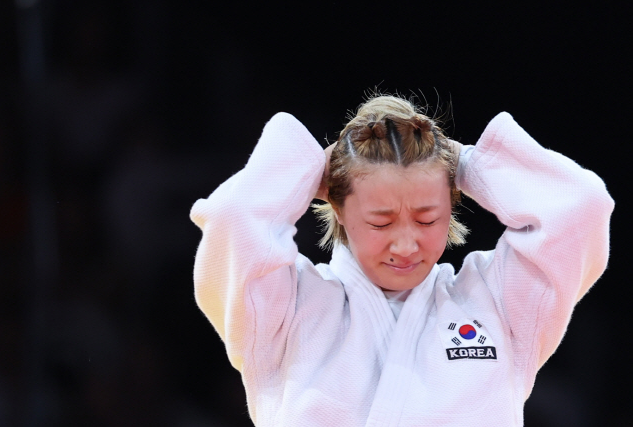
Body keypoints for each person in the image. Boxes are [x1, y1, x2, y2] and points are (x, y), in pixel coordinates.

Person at [190, 94, 613, 426]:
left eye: (428, 218)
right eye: (381, 222)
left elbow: (582, 207)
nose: (407, 244)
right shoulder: (287, 310)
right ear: (338, 210)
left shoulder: (496, 304)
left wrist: (463, 163)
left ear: (453, 204)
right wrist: (321, 168)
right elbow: (232, 218)